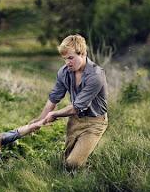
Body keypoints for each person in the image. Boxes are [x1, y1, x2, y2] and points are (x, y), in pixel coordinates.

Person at [30, 34, 108, 170]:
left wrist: (54, 115)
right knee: (65, 163)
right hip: (74, 120)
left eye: (71, 58)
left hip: (95, 122)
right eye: (65, 59)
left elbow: (77, 107)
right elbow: (53, 98)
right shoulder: (64, 72)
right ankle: (83, 171)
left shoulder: (96, 75)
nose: (67, 63)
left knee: (73, 163)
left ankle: (91, 172)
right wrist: (39, 121)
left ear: (83, 54)